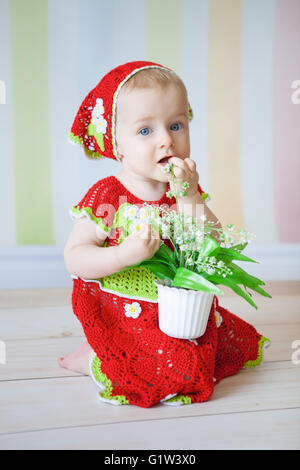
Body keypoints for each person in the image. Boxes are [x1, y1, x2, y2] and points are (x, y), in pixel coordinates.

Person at [60, 60, 270, 408]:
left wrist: (189, 195)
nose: (166, 140)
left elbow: (213, 241)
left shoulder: (182, 188)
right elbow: (75, 256)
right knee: (152, 368)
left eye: (176, 125)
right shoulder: (109, 196)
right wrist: (123, 254)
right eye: (146, 131)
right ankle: (95, 353)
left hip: (178, 307)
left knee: (198, 362)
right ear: (117, 144)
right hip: (123, 309)